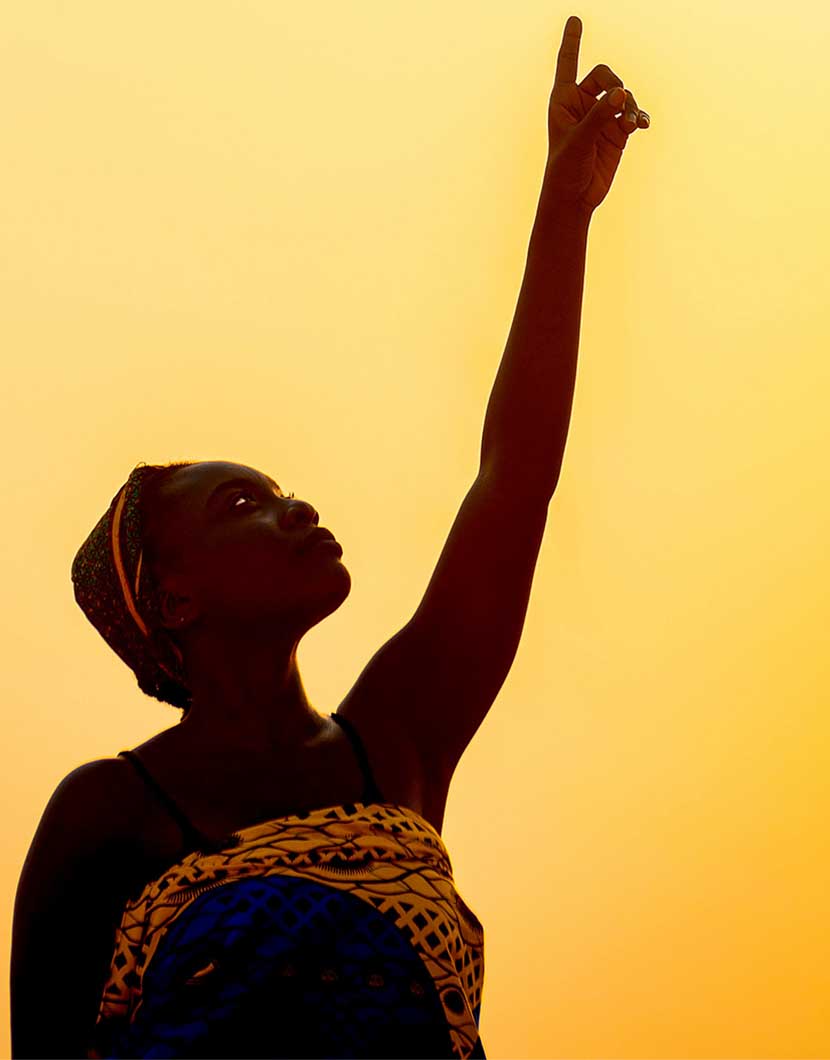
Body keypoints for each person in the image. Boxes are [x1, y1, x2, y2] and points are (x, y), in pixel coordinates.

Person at [10, 14, 648, 1059]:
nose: (293, 509)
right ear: (173, 598)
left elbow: (514, 481)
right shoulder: (109, 811)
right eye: (238, 506)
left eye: (280, 491)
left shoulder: (393, 743)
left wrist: (563, 209)